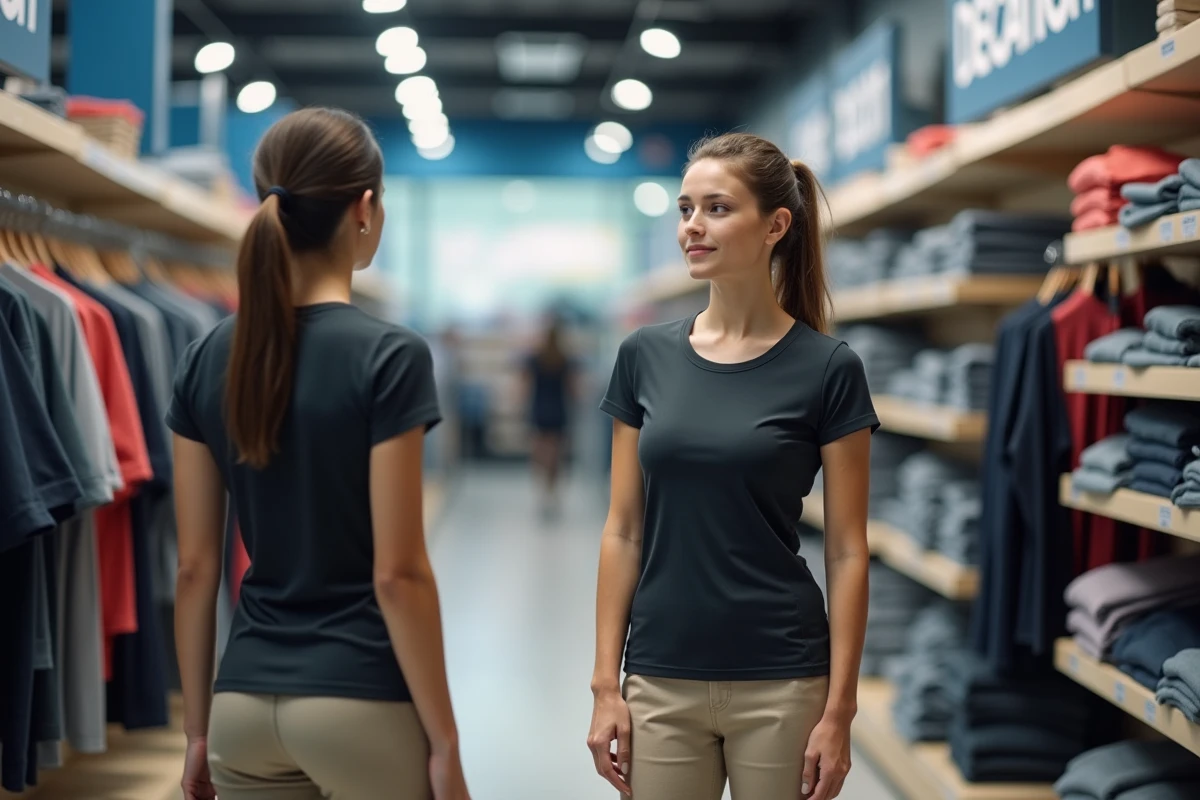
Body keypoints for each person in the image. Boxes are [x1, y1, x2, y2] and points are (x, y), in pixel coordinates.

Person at [168, 108, 470, 800]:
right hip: (360, 697)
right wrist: (446, 741)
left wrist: (196, 732)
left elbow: (193, 569)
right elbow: (398, 574)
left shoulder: (204, 358)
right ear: (365, 210)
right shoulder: (389, 356)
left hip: (242, 704)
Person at [587, 132, 876, 800]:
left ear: (777, 225)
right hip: (660, 675)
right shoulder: (643, 357)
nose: (693, 225)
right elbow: (623, 529)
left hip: (783, 677)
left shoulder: (829, 369)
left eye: (716, 208)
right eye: (686, 208)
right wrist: (606, 683)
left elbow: (847, 551)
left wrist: (840, 710)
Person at [524, 314, 576, 518]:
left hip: (539, 409)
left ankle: (543, 490)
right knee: (556, 452)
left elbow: (525, 387)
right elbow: (573, 389)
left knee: (539, 450)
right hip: (558, 409)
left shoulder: (535, 359)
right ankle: (552, 490)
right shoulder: (565, 359)